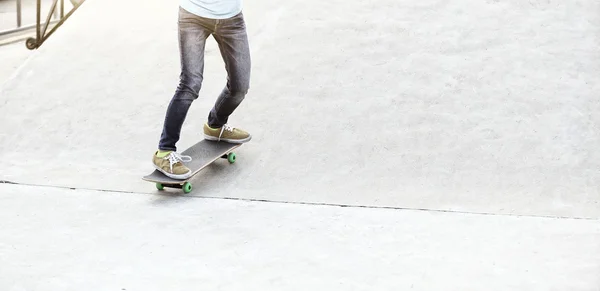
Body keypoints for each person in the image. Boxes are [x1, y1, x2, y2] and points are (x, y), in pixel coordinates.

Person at [152, 0, 252, 179]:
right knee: (190, 84)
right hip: (193, 17)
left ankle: (215, 126)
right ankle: (164, 152)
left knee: (240, 87)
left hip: (231, 19)